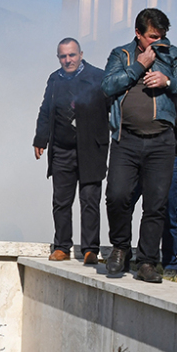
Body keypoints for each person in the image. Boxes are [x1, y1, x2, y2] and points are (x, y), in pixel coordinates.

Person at [102, 8, 177, 282]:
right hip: (126, 140)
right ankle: (121, 248)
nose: (159, 42)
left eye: (162, 36)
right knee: (117, 196)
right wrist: (139, 66)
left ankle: (147, 262)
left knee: (156, 205)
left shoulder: (173, 54)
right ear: (138, 34)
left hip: (161, 142)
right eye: (152, 37)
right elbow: (108, 86)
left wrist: (168, 81)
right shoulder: (121, 55)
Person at [33, 38, 110, 264]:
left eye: (72, 55)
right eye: (63, 56)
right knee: (61, 201)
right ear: (59, 58)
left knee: (89, 200)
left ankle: (90, 249)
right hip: (61, 150)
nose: (68, 60)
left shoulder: (99, 77)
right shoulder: (55, 79)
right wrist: (40, 138)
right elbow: (46, 110)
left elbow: (112, 109)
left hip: (91, 150)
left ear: (81, 54)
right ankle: (62, 247)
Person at [130, 99, 177, 277]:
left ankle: (170, 264)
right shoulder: (139, 84)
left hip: (168, 157)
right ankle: (125, 254)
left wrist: (160, 114)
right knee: (122, 203)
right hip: (136, 156)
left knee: (168, 213)